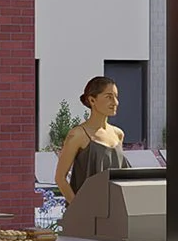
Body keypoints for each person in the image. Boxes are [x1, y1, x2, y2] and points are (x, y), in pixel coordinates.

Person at [54, 75, 131, 204]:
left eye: (116, 97)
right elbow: (60, 178)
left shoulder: (118, 134)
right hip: (87, 215)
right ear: (92, 100)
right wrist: (78, 208)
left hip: (116, 212)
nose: (115, 102)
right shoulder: (78, 135)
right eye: (108, 97)